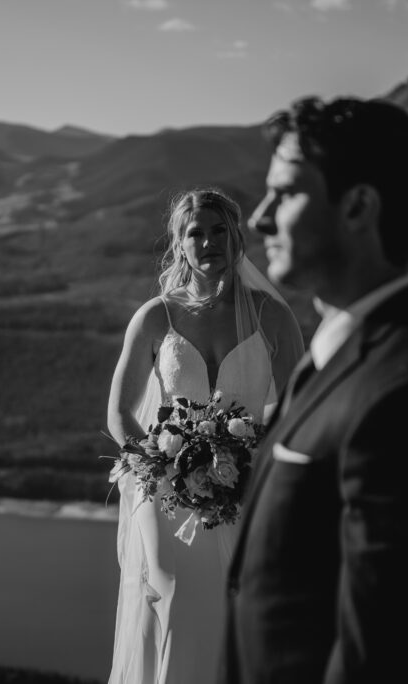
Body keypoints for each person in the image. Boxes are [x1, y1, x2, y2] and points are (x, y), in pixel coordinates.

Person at [222, 97, 408, 683]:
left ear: (358, 206)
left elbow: (386, 653)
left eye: (288, 193)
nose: (259, 218)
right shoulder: (338, 349)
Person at [107, 187, 304, 684]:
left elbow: (301, 413)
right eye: (196, 232)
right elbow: (118, 414)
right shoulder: (156, 316)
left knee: (239, 609)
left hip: (248, 491)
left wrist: (255, 466)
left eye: (220, 230)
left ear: (237, 238)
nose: (209, 241)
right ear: (179, 243)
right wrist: (162, 463)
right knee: (176, 598)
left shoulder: (272, 316)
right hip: (166, 495)